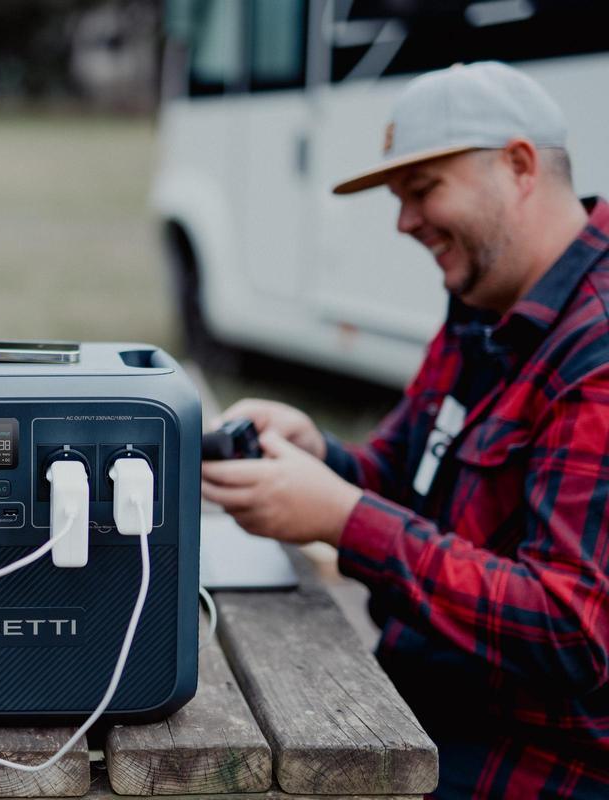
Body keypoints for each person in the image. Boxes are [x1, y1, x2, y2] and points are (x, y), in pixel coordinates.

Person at [201, 62, 609, 799]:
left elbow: (569, 629)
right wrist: (319, 454)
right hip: (417, 706)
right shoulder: (485, 299)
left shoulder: (597, 350)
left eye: (423, 191)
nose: (404, 222)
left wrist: (343, 518)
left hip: (527, 762)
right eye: (399, 198)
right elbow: (406, 476)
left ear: (518, 166)